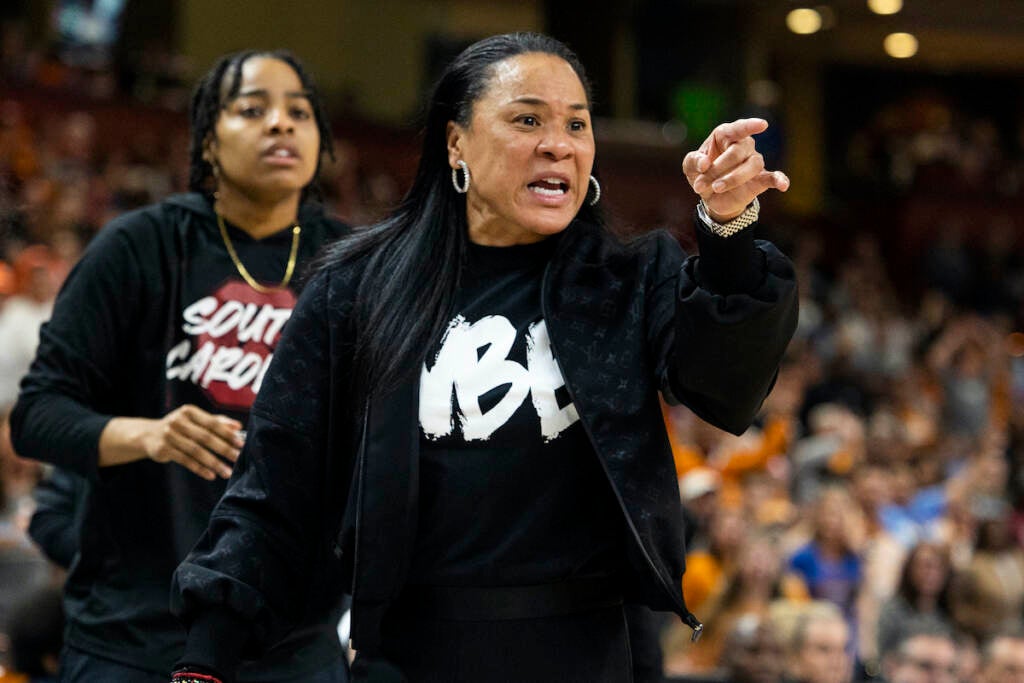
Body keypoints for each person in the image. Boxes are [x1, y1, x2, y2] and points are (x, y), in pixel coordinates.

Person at [171, 32, 798, 683]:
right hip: (409, 656)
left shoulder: (630, 279)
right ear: (456, 143)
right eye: (527, 118)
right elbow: (275, 485)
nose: (559, 142)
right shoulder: (358, 287)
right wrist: (205, 657)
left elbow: (728, 386)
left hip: (593, 655)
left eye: (576, 124)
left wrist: (728, 232)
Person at [8, 49, 350, 682]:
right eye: (253, 109)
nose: (281, 124)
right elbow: (38, 415)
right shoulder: (138, 247)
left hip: (294, 643)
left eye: (299, 112)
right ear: (208, 143)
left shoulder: (355, 266)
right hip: (134, 634)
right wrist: (149, 434)